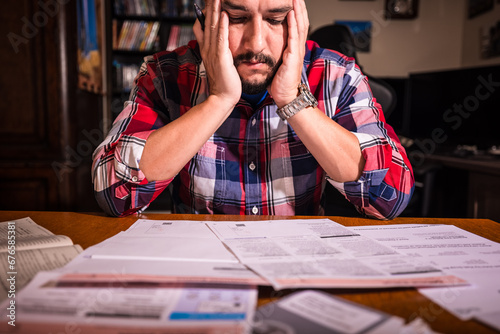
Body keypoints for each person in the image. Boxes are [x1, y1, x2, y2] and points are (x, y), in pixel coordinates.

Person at [92, 0, 414, 219]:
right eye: (236, 18)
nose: (256, 43)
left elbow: (392, 194)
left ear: (298, 23)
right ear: (205, 19)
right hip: (203, 282)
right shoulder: (165, 76)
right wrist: (218, 100)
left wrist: (292, 100)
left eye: (275, 20)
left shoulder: (336, 76)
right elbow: (112, 192)